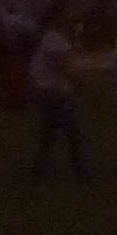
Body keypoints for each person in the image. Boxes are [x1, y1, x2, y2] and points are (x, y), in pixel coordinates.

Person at [29, 15, 91, 183]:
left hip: (52, 90)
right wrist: (78, 79)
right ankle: (81, 171)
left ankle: (39, 169)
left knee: (49, 132)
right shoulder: (53, 38)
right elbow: (59, 65)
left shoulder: (55, 38)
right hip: (53, 90)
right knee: (72, 132)